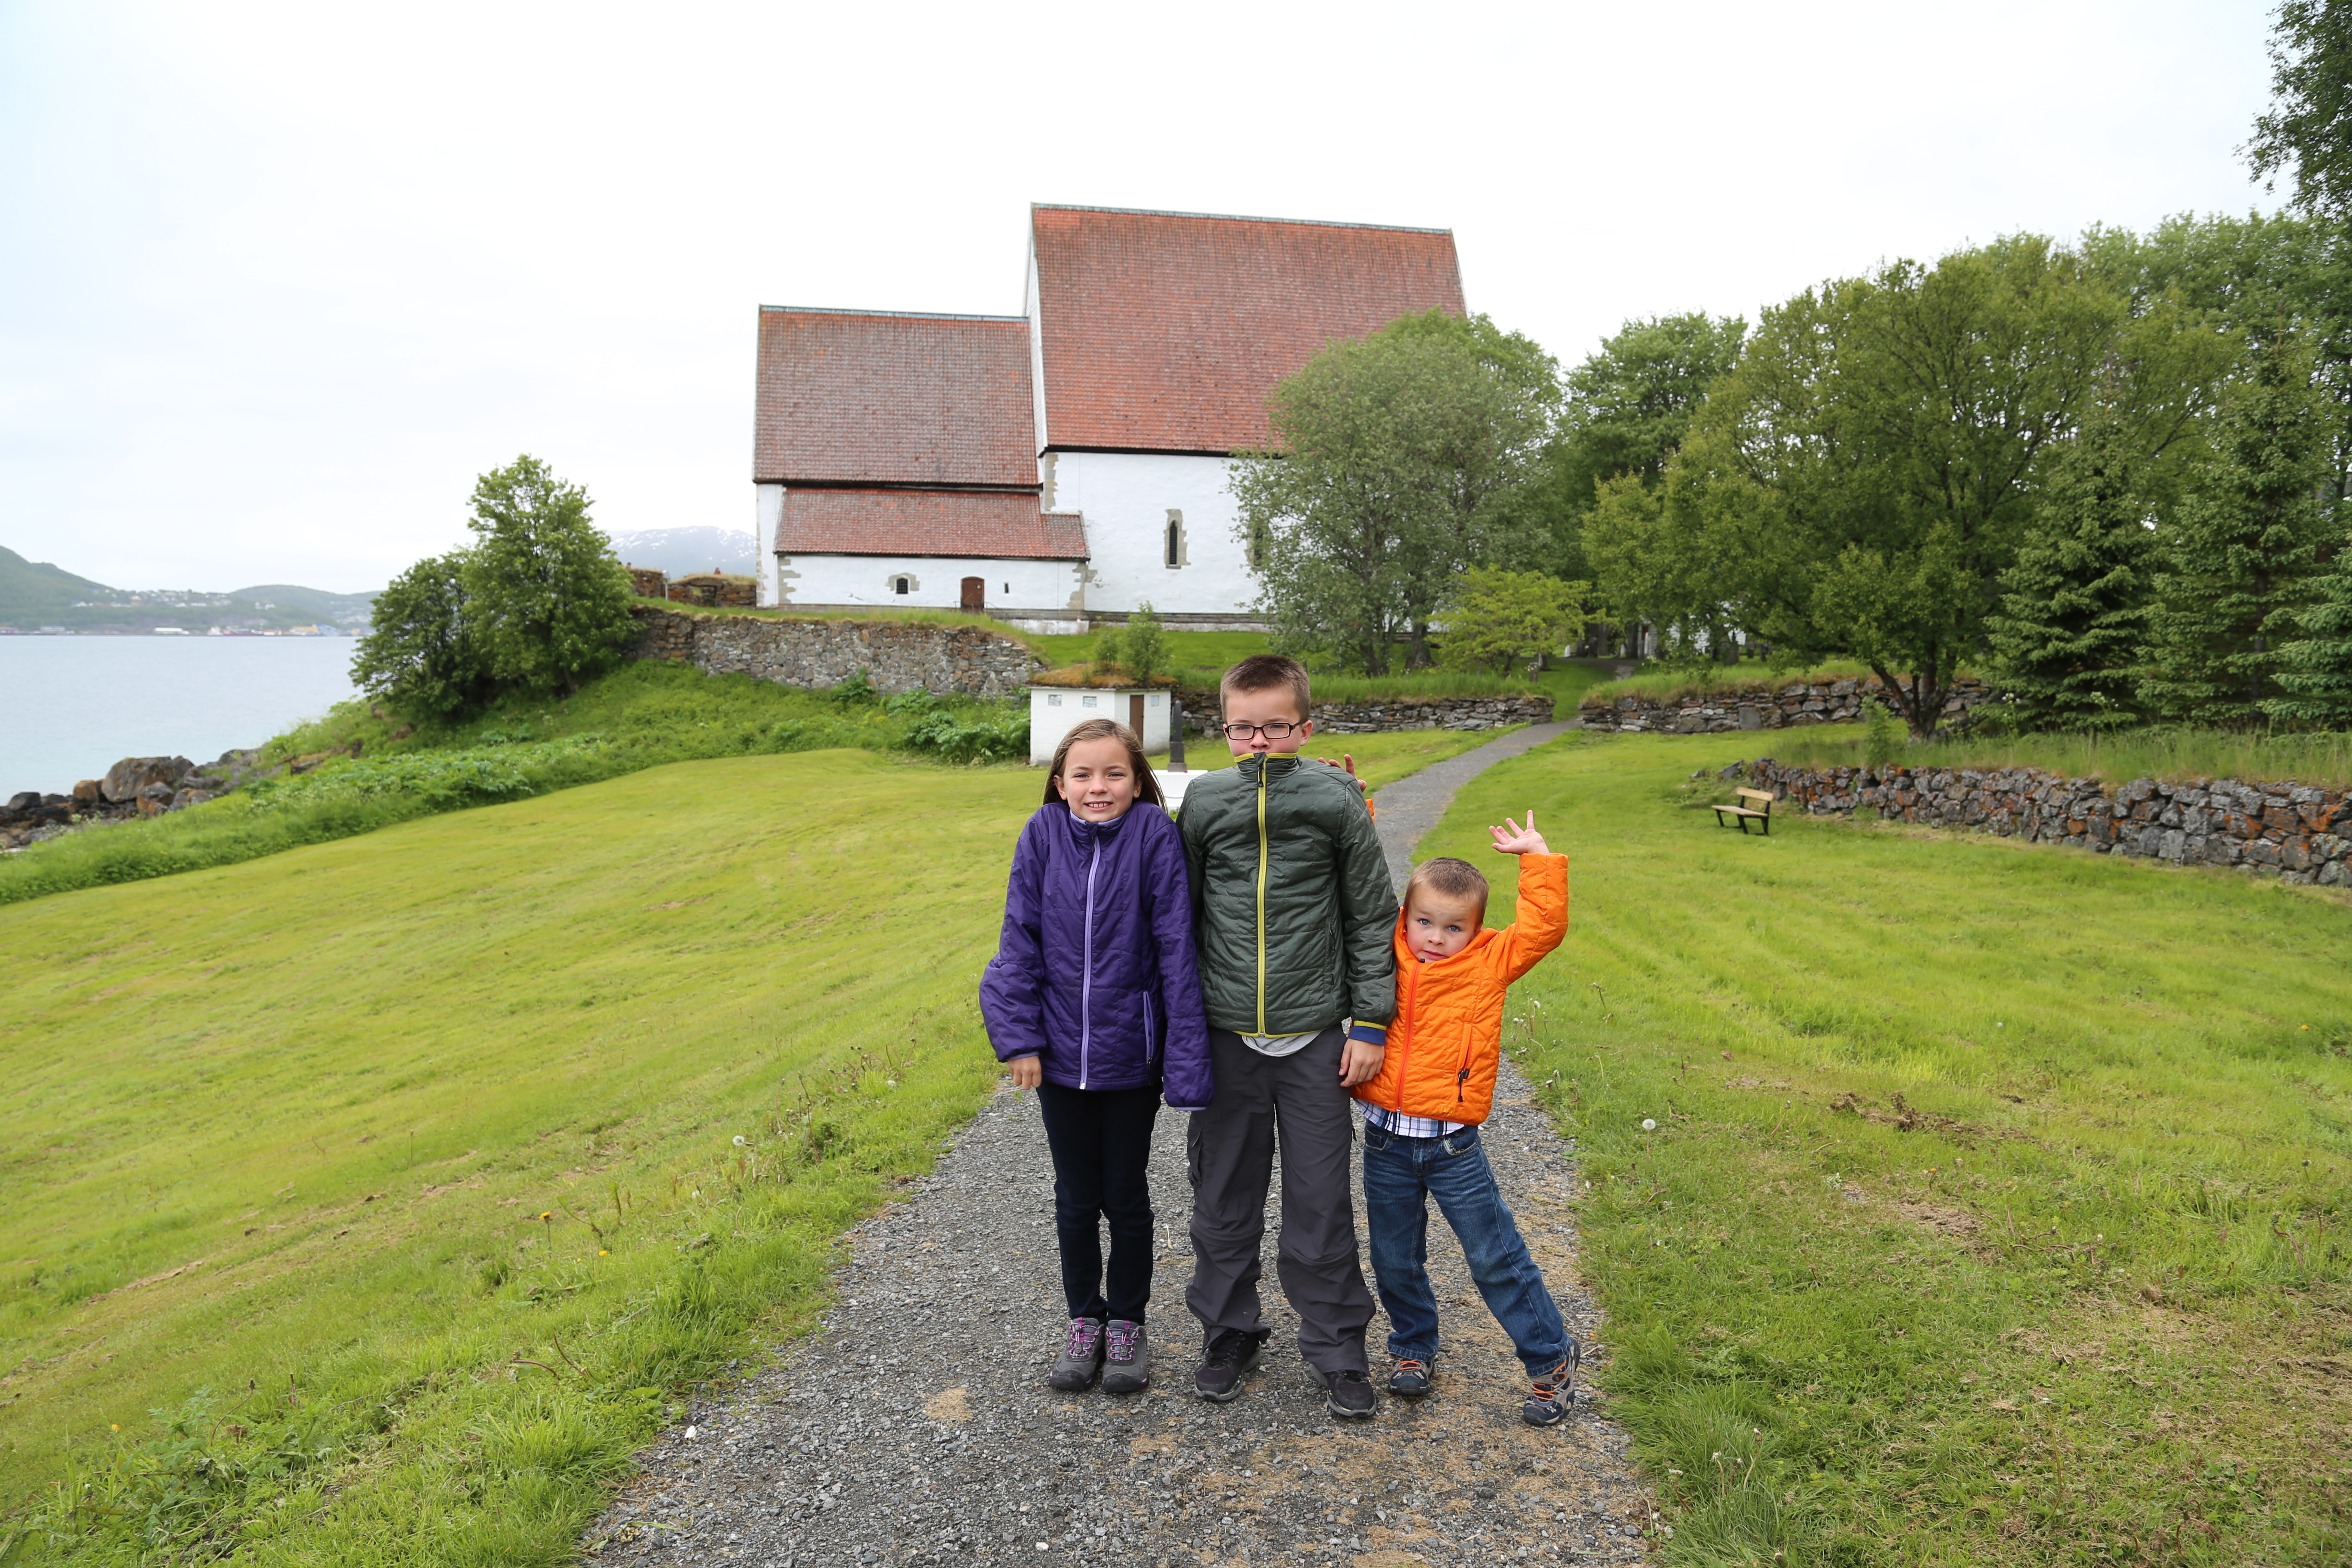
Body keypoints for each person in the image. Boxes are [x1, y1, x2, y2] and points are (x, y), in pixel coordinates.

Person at [1177, 654, 1396, 1419]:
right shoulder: (1203, 803)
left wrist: (1369, 1023)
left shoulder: (1336, 801)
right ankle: (1229, 1330)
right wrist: (1181, 1032)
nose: (1260, 741)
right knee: (1223, 1196)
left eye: (1276, 726)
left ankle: (1338, 1347)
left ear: (1304, 726)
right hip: (1226, 1038)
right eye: (1244, 728)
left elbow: (1373, 917)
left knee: (1320, 1200)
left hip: (1314, 1041)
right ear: (1225, 729)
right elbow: (1180, 921)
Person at [979, 717, 1211, 1395]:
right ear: (1060, 783)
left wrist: (1185, 1062)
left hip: (1130, 1059)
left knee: (1127, 1196)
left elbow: (1176, 951)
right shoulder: (1041, 835)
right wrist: (1019, 1039)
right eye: (1082, 774)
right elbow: (1017, 940)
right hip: (1058, 1057)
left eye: (1114, 773)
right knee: (1077, 1200)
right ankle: (1085, 1319)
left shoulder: (1155, 839)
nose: (1098, 786)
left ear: (1139, 782)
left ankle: (1128, 1323)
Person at [1351, 812, 1577, 1426]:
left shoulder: (1489, 963)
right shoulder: (1387, 952)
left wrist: (1537, 858)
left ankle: (1550, 1360)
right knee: (1395, 1257)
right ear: (1406, 916)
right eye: (1424, 921)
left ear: (1477, 930)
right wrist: (1359, 814)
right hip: (1384, 1142)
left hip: (1454, 1150)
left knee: (1495, 1257)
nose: (1434, 937)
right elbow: (1357, 891)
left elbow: (1545, 929)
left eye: (1454, 927)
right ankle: (1412, 1348)